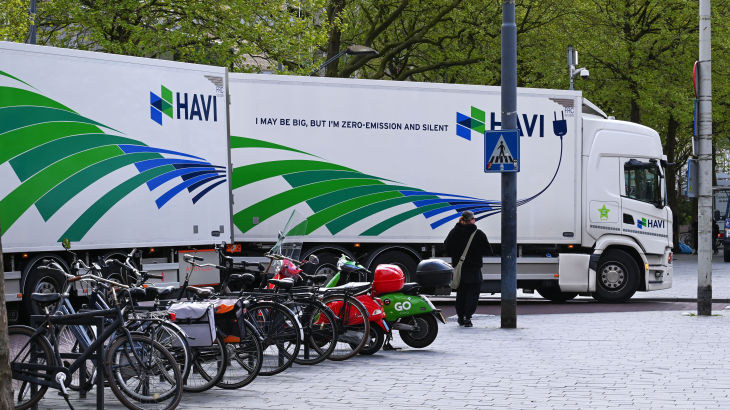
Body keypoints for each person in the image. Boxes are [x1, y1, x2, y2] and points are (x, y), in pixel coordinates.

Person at [444, 210, 493, 327]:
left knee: (461, 294)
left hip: (459, 270)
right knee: (473, 295)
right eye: (474, 219)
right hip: (474, 270)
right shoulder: (479, 234)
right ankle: (467, 317)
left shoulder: (454, 232)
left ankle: (460, 317)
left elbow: (446, 247)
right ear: (470, 220)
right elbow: (488, 251)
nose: (475, 220)